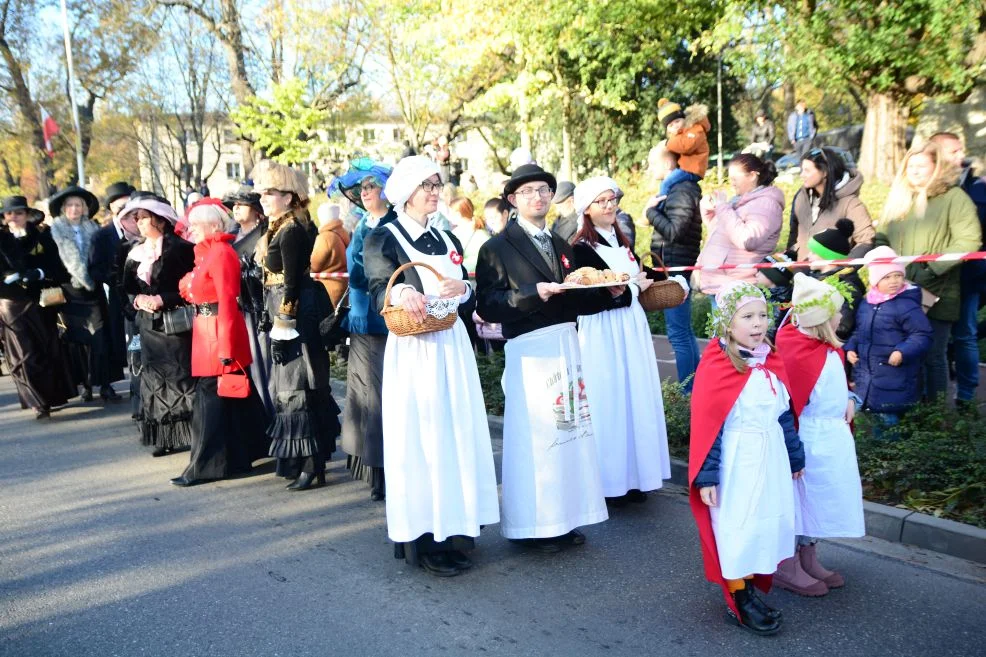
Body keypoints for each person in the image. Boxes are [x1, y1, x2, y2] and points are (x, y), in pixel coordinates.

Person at [476, 163, 631, 552]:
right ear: (513, 200)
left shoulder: (562, 245)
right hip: (530, 351)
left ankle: (564, 517)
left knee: (567, 437)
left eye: (544, 190)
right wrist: (534, 293)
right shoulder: (494, 248)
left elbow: (574, 295)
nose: (539, 197)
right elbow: (489, 306)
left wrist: (608, 293)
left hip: (565, 345)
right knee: (536, 440)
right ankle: (533, 525)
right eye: (528, 192)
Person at [364, 156, 499, 576]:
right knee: (423, 438)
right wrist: (402, 292)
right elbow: (377, 287)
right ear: (406, 192)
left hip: (451, 345)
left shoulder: (447, 238)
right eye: (427, 185)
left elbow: (467, 297)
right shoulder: (382, 237)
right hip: (416, 348)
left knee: (455, 434)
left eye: (438, 184)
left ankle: (456, 530)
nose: (435, 192)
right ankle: (424, 539)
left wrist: (466, 289)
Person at [689, 281, 804, 636]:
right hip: (737, 462)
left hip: (769, 458)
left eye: (763, 315)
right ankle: (739, 596)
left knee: (762, 524)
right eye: (748, 316)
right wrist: (707, 477)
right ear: (727, 323)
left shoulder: (770, 360)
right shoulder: (718, 365)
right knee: (737, 527)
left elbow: (784, 414)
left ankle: (751, 586)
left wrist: (795, 456)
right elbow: (711, 425)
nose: (758, 323)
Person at [570, 177, 672, 505]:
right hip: (603, 332)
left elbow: (635, 274)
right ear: (587, 209)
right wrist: (633, 290)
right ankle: (610, 481)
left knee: (636, 397)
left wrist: (661, 279)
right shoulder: (580, 248)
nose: (610, 205)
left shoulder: (621, 239)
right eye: (601, 201)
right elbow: (588, 299)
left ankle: (636, 476)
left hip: (630, 327)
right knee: (609, 401)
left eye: (611, 199)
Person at [773, 274, 865, 597]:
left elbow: (835, 388)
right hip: (809, 438)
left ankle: (808, 556)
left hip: (831, 438)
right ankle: (787, 565)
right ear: (822, 319)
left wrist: (850, 400)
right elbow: (789, 404)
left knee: (819, 501)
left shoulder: (827, 348)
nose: (842, 316)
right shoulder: (796, 349)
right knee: (802, 501)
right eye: (837, 311)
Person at [255, 160, 341, 491]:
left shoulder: (292, 230)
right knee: (294, 385)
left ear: (289, 197)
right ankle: (304, 461)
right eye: (262, 193)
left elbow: (291, 284)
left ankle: (312, 464)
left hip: (295, 310)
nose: (264, 198)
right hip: (282, 306)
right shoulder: (280, 226)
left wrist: (283, 325)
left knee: (300, 385)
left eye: (271, 193)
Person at [874, 141, 981, 402]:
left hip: (938, 293)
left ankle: (935, 419)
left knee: (933, 356)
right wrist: (885, 270)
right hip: (897, 292)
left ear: (936, 167)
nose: (915, 171)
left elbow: (968, 241)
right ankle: (908, 412)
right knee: (904, 353)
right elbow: (881, 238)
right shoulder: (899, 197)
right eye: (910, 165)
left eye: (921, 165)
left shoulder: (955, 198)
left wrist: (930, 269)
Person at [171, 201, 269, 486]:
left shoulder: (221, 253)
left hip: (217, 331)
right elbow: (193, 291)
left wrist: (227, 347)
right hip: (207, 329)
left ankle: (204, 465)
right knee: (229, 399)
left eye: (196, 225)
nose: (190, 230)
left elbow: (227, 300)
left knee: (209, 402)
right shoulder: (208, 254)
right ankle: (240, 456)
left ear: (213, 226)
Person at [330, 160, 395, 500]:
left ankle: (388, 469)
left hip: (387, 321)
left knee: (383, 397)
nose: (366, 194)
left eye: (372, 187)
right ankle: (372, 468)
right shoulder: (361, 227)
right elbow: (353, 272)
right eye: (363, 189)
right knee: (364, 396)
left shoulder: (394, 224)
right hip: (360, 322)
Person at [120, 195, 196, 456]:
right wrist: (138, 301)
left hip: (176, 323)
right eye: (136, 218)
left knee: (181, 377)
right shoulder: (135, 252)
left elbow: (192, 286)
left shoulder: (182, 248)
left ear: (159, 220)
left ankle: (192, 432)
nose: (138, 222)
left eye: (143, 217)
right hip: (148, 326)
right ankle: (166, 438)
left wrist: (163, 298)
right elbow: (126, 289)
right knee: (154, 380)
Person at [0, 195, 75, 418]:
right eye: (9, 213)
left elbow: (57, 268)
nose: (14, 217)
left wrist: (40, 273)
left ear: (28, 215)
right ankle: (37, 401)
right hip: (11, 303)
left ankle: (52, 396)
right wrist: (8, 278)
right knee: (25, 353)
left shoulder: (41, 237)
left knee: (47, 348)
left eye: (19, 213)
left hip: (41, 300)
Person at [845, 246, 934, 434]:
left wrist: (902, 350)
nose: (894, 281)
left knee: (888, 420)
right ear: (875, 280)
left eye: (898, 275)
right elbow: (860, 331)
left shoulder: (906, 304)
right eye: (886, 277)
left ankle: (889, 459)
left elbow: (922, 334)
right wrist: (851, 347)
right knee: (872, 418)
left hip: (895, 375)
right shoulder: (867, 303)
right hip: (869, 376)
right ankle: (879, 456)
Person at [47, 186, 122, 402]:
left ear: (85, 208)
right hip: (70, 292)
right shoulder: (54, 232)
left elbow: (101, 258)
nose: (74, 208)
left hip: (93, 289)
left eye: (78, 204)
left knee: (100, 336)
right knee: (78, 340)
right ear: (63, 208)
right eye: (70, 205)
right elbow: (52, 263)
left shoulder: (93, 229)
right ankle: (86, 385)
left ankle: (105, 384)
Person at [930, 132, 986, 407]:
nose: (960, 156)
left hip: (968, 276)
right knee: (931, 337)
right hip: (930, 278)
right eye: (953, 151)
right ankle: (930, 398)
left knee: (964, 334)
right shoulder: (925, 187)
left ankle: (966, 396)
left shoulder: (978, 189)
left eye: (960, 150)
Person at [644, 141, 703, 391]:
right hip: (674, 264)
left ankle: (688, 391)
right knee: (682, 332)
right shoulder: (677, 188)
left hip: (677, 266)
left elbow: (674, 231)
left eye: (652, 163)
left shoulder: (682, 189)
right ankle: (693, 387)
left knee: (678, 333)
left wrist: (650, 212)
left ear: (668, 163)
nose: (649, 169)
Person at [695, 154, 784, 297]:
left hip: (737, 286)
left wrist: (723, 207)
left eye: (735, 178)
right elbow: (723, 235)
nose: (731, 183)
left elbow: (747, 240)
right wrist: (709, 212)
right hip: (720, 283)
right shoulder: (739, 201)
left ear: (752, 176)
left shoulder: (766, 204)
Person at [223, 185, 273, 417]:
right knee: (251, 363)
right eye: (234, 205)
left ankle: (270, 415)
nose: (236, 209)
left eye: (241, 205)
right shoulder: (231, 237)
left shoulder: (265, 234)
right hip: (240, 306)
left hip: (260, 306)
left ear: (255, 209)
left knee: (266, 361)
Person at [89, 182, 136, 394]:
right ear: (111, 211)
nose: (124, 213)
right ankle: (108, 381)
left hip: (139, 292)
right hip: (114, 296)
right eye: (119, 209)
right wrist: (115, 278)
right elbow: (95, 268)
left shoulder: (140, 231)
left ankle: (140, 377)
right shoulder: (102, 236)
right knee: (114, 336)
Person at [787, 147, 874, 261]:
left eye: (807, 171)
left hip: (827, 276)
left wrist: (842, 268)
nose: (802, 175)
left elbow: (866, 241)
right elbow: (794, 234)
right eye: (802, 170)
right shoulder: (801, 197)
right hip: (799, 273)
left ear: (824, 172)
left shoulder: (851, 204)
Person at [803, 219, 866, 340]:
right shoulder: (813, 277)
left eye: (814, 252)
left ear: (828, 257)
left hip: (827, 342)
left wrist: (817, 334)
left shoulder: (848, 286)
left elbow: (842, 325)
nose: (809, 256)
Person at [657, 97, 710, 195]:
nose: (675, 126)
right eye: (671, 125)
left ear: (683, 118)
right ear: (668, 129)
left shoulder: (696, 129)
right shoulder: (679, 135)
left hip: (693, 170)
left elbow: (686, 146)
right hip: (687, 168)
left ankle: (659, 206)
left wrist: (668, 143)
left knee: (666, 184)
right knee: (668, 183)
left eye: (677, 121)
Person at [311, 202, 351, 308]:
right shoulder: (343, 232)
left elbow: (315, 264)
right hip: (344, 285)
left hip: (328, 288)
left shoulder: (325, 237)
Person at [756, 253, 795, 342]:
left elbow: (769, 335)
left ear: (773, 278)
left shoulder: (780, 302)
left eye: (761, 272)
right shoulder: (763, 293)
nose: (757, 275)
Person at [449, 197, 490, 274]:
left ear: (458, 214)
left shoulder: (481, 235)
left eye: (450, 213)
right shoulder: (455, 232)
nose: (449, 216)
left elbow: (484, 259)